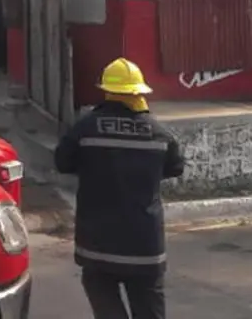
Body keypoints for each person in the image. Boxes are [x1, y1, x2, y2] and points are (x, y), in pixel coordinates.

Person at [54, 58, 185, 319]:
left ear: (107, 91)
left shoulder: (85, 128)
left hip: (97, 245)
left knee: (105, 303)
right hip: (145, 247)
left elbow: (62, 162)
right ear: (138, 93)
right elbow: (175, 168)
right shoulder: (160, 134)